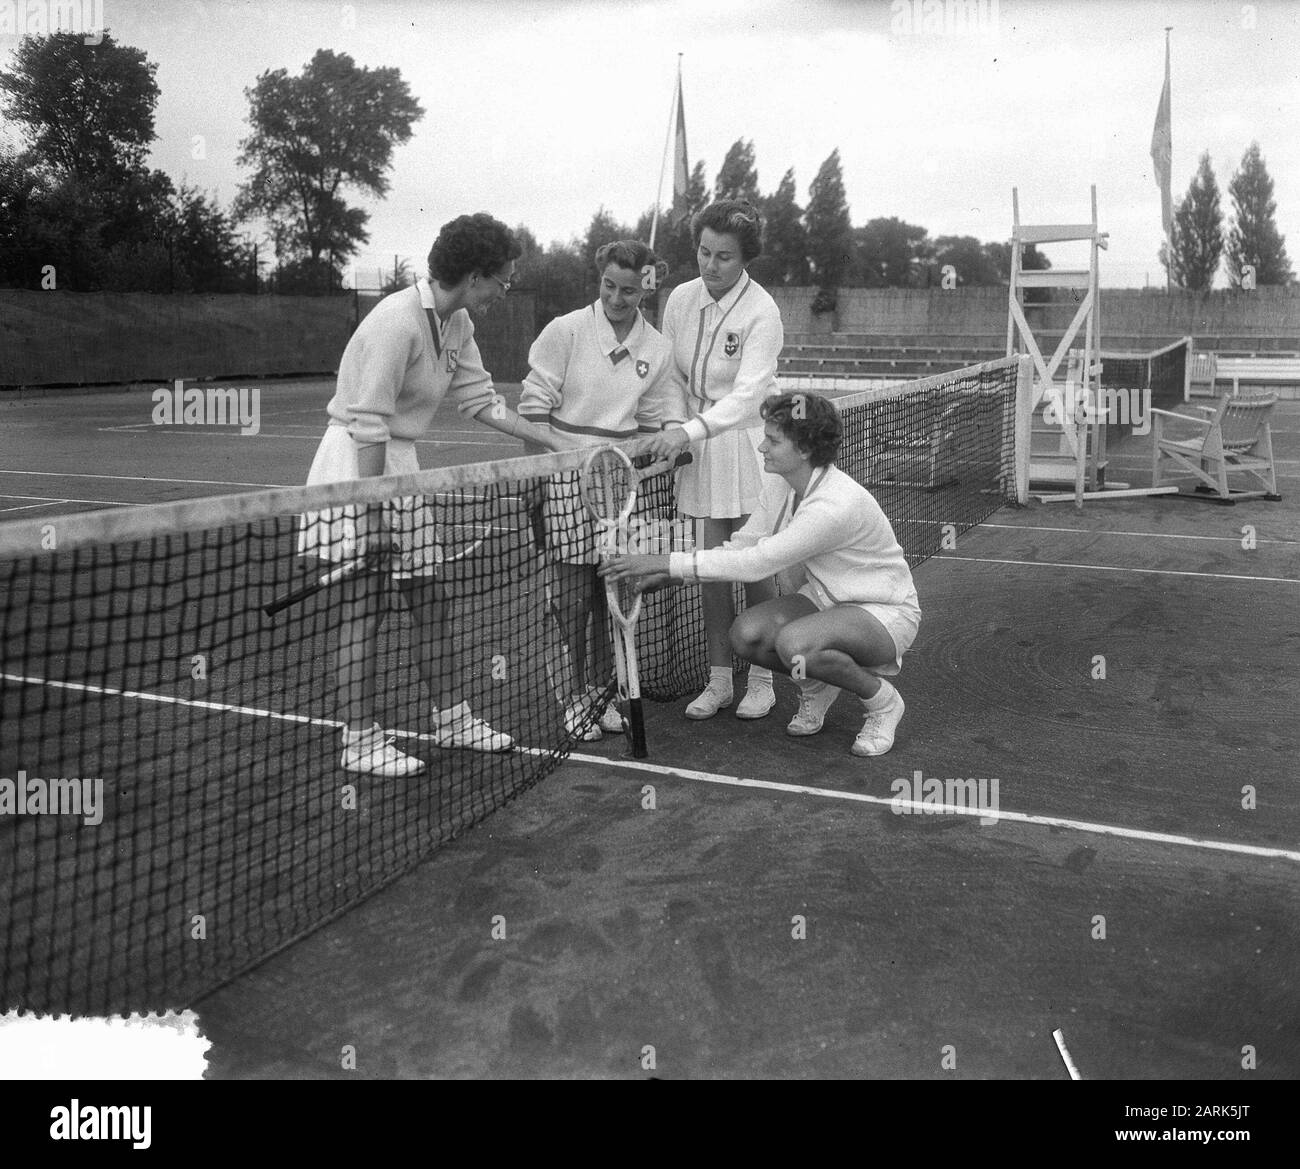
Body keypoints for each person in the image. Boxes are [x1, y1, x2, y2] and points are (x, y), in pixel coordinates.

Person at [298, 213, 564, 778]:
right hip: (356, 465)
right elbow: (367, 426)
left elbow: (481, 402)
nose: (505, 290)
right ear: (473, 276)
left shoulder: (458, 323)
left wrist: (554, 439)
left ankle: (452, 718)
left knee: (431, 601)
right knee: (364, 608)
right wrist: (371, 521)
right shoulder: (396, 322)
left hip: (401, 466)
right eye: (503, 280)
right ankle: (359, 739)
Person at [605, 392, 920, 757]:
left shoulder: (833, 506)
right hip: (826, 599)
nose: (761, 447)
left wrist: (663, 562)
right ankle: (818, 686)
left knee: (795, 645)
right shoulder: (782, 482)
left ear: (803, 449)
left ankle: (883, 703)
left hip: (884, 610)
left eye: (773, 440)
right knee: (746, 636)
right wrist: (676, 576)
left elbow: (758, 563)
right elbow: (744, 544)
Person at [518, 240, 679, 740]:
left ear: (646, 290)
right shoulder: (563, 331)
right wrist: (538, 479)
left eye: (628, 290)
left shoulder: (657, 348)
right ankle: (574, 693)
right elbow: (532, 410)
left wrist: (666, 444)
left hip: (619, 482)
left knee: (611, 589)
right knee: (571, 599)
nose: (615, 297)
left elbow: (650, 421)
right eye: (608, 285)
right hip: (565, 475)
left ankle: (603, 692)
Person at [645, 199, 784, 721]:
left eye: (724, 256)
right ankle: (720, 679)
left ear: (745, 259)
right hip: (699, 446)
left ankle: (764, 680)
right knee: (710, 568)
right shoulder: (680, 299)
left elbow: (749, 395)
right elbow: (671, 376)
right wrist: (678, 431)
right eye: (704, 252)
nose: (710, 264)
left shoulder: (762, 312)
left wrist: (690, 429)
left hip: (749, 443)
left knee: (755, 567)